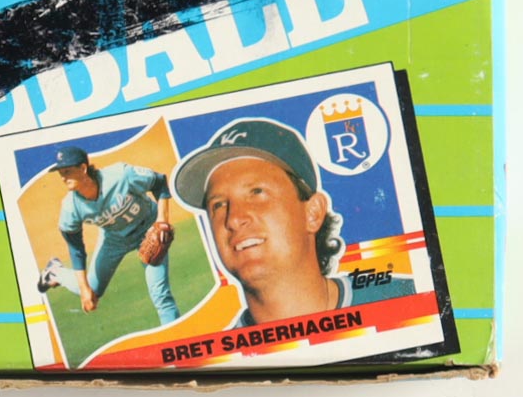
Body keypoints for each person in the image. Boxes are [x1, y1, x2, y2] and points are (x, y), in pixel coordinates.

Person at [172, 118, 414, 328]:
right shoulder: (221, 360)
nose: (234, 219)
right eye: (218, 205)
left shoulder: (408, 304)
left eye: (256, 192)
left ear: (313, 213)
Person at [36, 146, 180, 325]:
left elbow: (158, 182)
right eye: (60, 173)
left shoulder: (120, 175)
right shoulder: (70, 208)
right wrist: (84, 288)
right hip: (114, 240)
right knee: (92, 290)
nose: (63, 177)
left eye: (67, 171)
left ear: (83, 168)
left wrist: (162, 221)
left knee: (161, 294)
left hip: (149, 229)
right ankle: (55, 272)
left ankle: (177, 336)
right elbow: (76, 249)